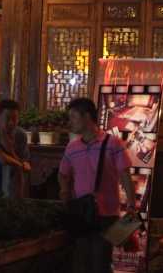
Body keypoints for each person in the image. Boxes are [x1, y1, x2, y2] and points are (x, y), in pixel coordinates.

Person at [59, 97, 136, 273]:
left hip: (106, 214)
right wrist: (64, 190)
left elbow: (125, 175)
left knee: (100, 263)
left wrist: (131, 206)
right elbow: (63, 174)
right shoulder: (72, 148)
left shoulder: (113, 143)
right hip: (81, 213)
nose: (70, 122)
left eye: (73, 117)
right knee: (81, 263)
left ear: (87, 116)